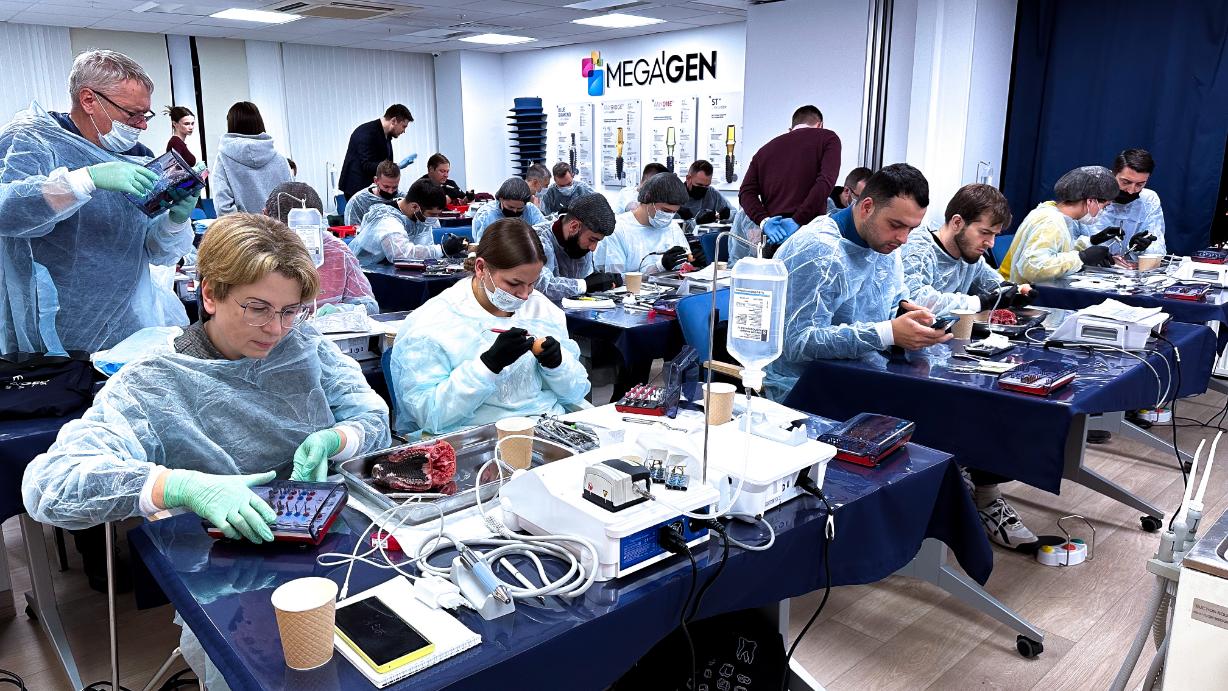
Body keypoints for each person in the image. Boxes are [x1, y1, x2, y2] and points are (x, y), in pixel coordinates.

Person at [22, 213, 391, 688]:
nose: (276, 329)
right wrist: (179, 485)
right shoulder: (153, 383)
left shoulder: (303, 343)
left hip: (336, 548)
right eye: (258, 308)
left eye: (290, 310)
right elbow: (51, 486)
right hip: (231, 575)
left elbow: (372, 418)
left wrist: (338, 440)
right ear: (211, 294)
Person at [0, 49, 200, 355]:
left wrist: (175, 220)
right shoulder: (34, 141)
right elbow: (8, 211)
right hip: (50, 329)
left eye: (145, 115)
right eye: (132, 114)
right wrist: (85, 180)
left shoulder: (139, 157)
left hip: (125, 325)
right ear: (89, 100)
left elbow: (152, 251)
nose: (142, 125)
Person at [765, 164, 951, 400]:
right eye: (896, 225)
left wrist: (903, 315)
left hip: (857, 378)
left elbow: (884, 302)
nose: (903, 239)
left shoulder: (884, 246)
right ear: (867, 207)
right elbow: (798, 342)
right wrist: (886, 333)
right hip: (802, 389)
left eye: (911, 229)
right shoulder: (819, 251)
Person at [389, 218, 590, 435]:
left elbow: (574, 393)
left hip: (543, 425)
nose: (524, 295)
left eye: (532, 283)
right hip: (473, 434)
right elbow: (428, 414)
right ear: (481, 268)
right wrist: (487, 366)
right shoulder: (434, 322)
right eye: (514, 283)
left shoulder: (542, 311)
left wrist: (558, 365)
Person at [901, 183, 1031, 316]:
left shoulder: (969, 255)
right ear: (957, 222)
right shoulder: (918, 250)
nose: (991, 244)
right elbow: (915, 299)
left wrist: (1015, 292)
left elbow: (993, 284)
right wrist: (980, 303)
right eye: (984, 232)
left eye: (994, 235)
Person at [733, 105, 842, 263]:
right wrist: (798, 219)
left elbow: (745, 193)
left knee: (773, 278)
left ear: (791, 129)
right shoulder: (827, 138)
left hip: (774, 238)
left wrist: (764, 221)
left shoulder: (764, 151)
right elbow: (825, 182)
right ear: (820, 125)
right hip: (809, 238)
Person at [265, 182, 378, 314]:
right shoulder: (253, 255)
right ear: (266, 218)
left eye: (309, 232)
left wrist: (342, 311)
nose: (300, 245)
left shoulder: (337, 252)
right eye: (290, 236)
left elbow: (369, 306)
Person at [998, 166, 1120, 284]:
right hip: (1018, 292)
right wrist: (1082, 257)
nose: (1103, 211)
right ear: (1091, 201)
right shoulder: (1050, 221)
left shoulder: (1057, 214)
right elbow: (1033, 267)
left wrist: (1093, 240)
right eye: (1104, 206)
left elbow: (1060, 249)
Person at [595, 172, 706, 275]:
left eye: (674, 212)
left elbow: (683, 266)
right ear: (648, 199)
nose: (669, 216)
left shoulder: (672, 227)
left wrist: (693, 264)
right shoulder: (618, 229)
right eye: (666, 210)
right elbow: (616, 278)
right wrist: (659, 267)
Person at [349, 179, 467, 267]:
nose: (434, 219)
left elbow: (426, 248)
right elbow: (401, 255)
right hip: (369, 273)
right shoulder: (387, 220)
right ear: (415, 207)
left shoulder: (419, 216)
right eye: (432, 214)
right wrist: (442, 249)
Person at [1079, 148, 1166, 256]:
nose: (1131, 191)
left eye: (1140, 184)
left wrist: (1141, 247)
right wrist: (1091, 245)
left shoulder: (1149, 200)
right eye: (1126, 182)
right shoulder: (1087, 195)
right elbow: (1066, 245)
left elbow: (1158, 249)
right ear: (1113, 174)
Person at [532, 192, 619, 300]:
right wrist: (586, 285)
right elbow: (541, 287)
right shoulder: (536, 239)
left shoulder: (578, 243)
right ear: (574, 227)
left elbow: (585, 278)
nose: (593, 248)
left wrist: (604, 280)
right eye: (592, 240)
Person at [211, 101, 292, 215]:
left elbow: (223, 207)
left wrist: (247, 225)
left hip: (241, 226)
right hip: (276, 225)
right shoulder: (280, 160)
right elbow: (290, 202)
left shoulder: (223, 159)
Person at [339, 104, 413, 199]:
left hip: (371, 187)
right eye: (404, 126)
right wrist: (396, 166)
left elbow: (385, 161)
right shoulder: (366, 133)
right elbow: (367, 165)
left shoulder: (386, 135)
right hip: (357, 190)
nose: (404, 131)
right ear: (394, 121)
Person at [471, 177, 547, 242]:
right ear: (501, 199)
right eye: (510, 207)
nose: (515, 211)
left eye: (520, 208)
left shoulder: (531, 210)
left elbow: (544, 232)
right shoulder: (486, 215)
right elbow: (483, 247)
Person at [344, 159, 401, 227]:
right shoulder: (358, 201)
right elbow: (352, 230)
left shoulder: (401, 198)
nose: (390, 191)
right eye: (386, 187)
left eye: (395, 187)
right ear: (376, 181)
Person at [680, 160, 732, 224]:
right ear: (688, 179)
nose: (703, 188)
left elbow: (735, 214)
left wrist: (724, 216)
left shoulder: (712, 193)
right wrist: (696, 222)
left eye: (707, 185)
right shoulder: (675, 194)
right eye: (699, 185)